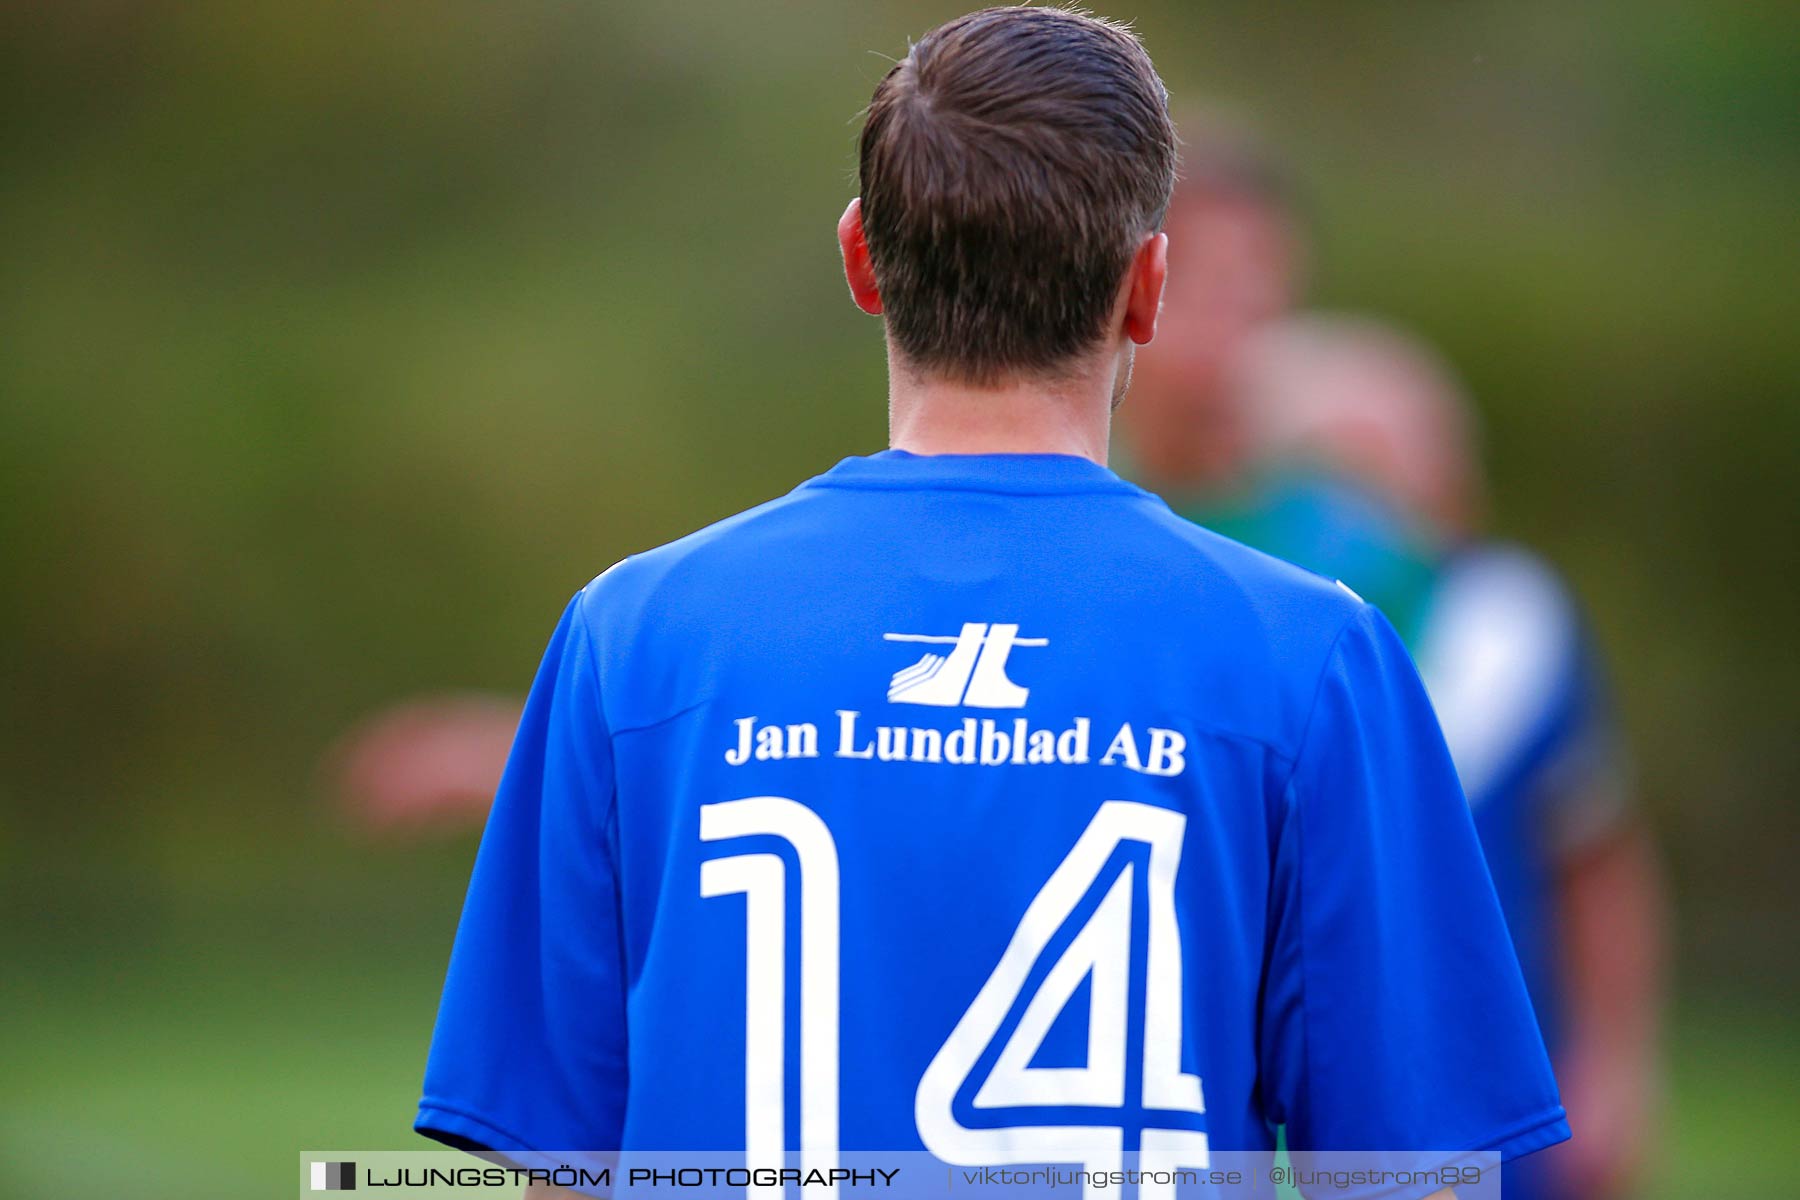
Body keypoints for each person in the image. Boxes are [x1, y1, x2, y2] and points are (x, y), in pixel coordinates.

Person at [414, 8, 1569, 1197]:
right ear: (1148, 287)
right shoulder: (1313, 656)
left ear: (862, 260)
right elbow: (1411, 1175)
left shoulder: (629, 636)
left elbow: (555, 1160)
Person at [1227, 314, 1667, 1200]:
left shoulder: (1514, 625)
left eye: (1406, 455)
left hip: (1499, 1099)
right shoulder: (1242, 641)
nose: (1380, 493)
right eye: (1344, 460)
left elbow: (1596, 857)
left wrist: (1618, 1064)